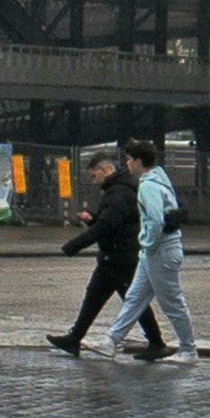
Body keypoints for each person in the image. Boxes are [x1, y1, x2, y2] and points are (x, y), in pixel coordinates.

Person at [45, 146, 162, 358]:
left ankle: (157, 342)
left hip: (121, 258)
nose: (93, 180)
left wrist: (73, 245)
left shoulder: (118, 193)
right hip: (114, 257)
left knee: (133, 302)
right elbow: (112, 221)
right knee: (94, 298)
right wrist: (94, 217)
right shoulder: (118, 190)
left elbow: (106, 227)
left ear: (105, 170)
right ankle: (74, 338)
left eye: (93, 175)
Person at [102, 133, 198, 363]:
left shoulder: (148, 186)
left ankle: (189, 349)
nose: (127, 164)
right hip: (158, 251)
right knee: (134, 298)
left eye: (129, 160)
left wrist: (147, 243)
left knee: (172, 302)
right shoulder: (160, 180)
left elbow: (155, 220)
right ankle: (111, 341)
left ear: (137, 161)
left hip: (159, 251)